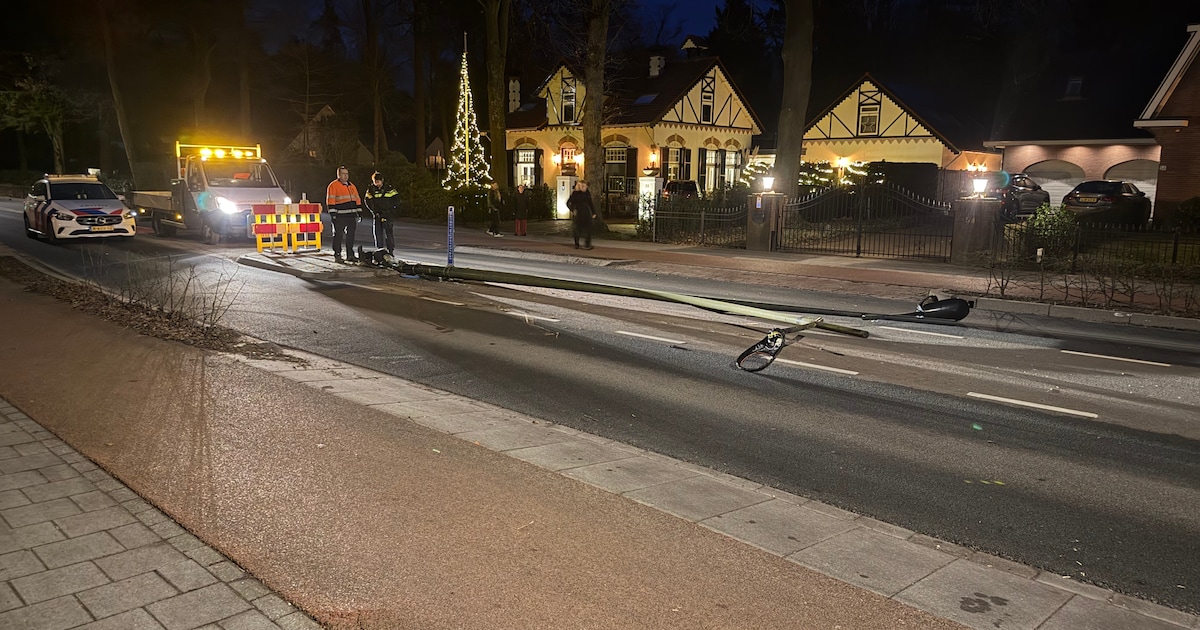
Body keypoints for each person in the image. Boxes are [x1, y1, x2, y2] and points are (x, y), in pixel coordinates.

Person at [326, 166, 363, 262]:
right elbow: (331, 200)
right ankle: (337, 254)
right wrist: (333, 214)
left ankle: (350, 254)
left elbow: (357, 199)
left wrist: (359, 212)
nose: (346, 176)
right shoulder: (333, 186)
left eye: (347, 174)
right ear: (338, 175)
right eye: (343, 174)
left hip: (351, 215)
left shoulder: (352, 186)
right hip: (340, 216)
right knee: (338, 235)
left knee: (351, 236)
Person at [364, 171, 401, 257]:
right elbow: (367, 201)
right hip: (377, 214)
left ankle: (390, 251)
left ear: (382, 180)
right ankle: (380, 250)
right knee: (378, 233)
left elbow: (397, 199)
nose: (377, 184)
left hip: (388, 214)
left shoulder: (389, 189)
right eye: (375, 181)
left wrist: (392, 209)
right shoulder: (370, 190)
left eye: (378, 181)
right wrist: (374, 211)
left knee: (389, 233)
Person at [566, 180, 596, 249]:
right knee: (576, 228)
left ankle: (587, 244)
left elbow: (590, 203)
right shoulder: (575, 194)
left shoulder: (587, 193)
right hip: (578, 213)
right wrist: (572, 209)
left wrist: (593, 212)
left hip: (586, 212)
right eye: (583, 186)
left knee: (589, 228)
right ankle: (577, 244)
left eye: (585, 186)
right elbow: (569, 202)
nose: (585, 188)